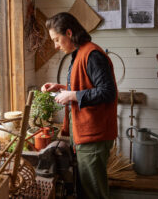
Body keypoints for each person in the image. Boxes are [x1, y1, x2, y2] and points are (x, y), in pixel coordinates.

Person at [41, 12, 118, 199]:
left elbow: (108, 92)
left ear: (68, 33)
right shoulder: (79, 53)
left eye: (57, 39)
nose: (55, 45)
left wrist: (73, 95)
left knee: (95, 192)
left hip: (95, 136)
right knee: (87, 188)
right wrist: (62, 89)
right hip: (86, 134)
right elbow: (86, 86)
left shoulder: (92, 55)